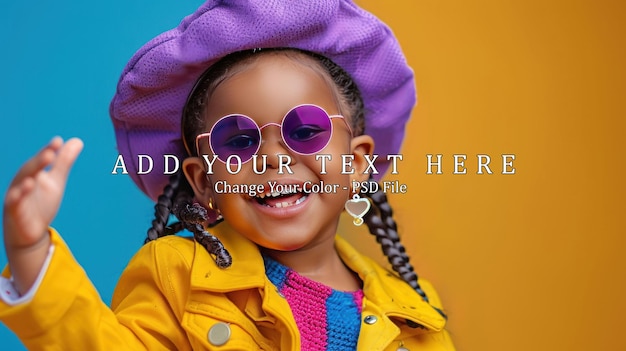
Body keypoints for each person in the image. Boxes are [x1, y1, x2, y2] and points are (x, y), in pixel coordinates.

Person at [0, 1, 455, 350]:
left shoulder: (413, 311)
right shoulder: (178, 275)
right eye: (238, 141)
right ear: (203, 181)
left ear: (356, 164)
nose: (274, 158)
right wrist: (30, 249)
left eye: (305, 131)